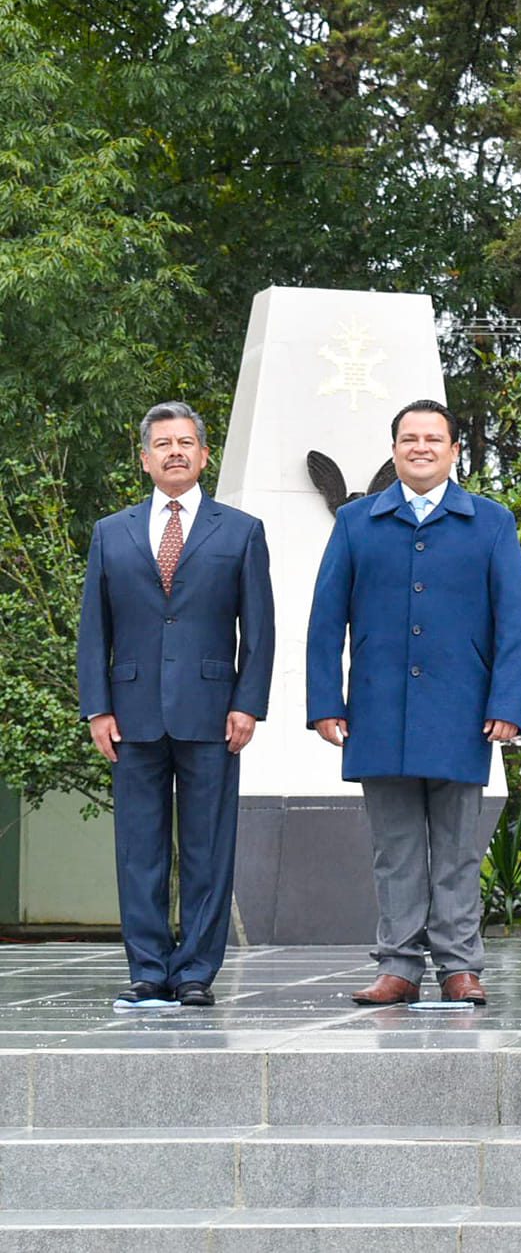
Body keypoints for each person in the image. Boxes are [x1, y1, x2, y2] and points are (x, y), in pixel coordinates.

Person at [306, 399, 521, 1007]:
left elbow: (515, 622)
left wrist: (507, 702)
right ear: (394, 449)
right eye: (410, 438)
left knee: (458, 850)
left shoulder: (491, 522)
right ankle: (399, 967)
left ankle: (460, 967)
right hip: (378, 714)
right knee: (395, 851)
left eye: (434, 439)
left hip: (463, 714)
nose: (421, 447)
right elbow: (326, 620)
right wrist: (326, 701)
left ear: (455, 451)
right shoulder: (357, 522)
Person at [77, 401, 275, 1007]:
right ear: (145, 459)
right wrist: (97, 708)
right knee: (139, 847)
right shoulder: (112, 532)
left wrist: (248, 704)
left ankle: (193, 972)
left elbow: (259, 628)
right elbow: (95, 629)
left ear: (205, 454)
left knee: (208, 848)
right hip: (131, 713)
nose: (175, 452)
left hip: (214, 713)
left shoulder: (240, 530)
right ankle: (146, 967)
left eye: (186, 442)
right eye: (162, 444)